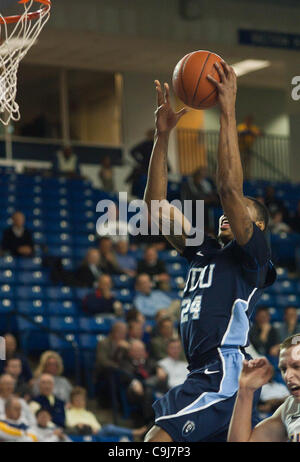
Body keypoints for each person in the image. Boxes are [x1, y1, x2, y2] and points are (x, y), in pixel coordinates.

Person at [143, 64, 276, 442]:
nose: (225, 215)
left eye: (239, 213)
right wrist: (162, 136)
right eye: (225, 214)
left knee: (157, 441)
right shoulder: (204, 250)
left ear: (257, 228)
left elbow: (230, 191)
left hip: (223, 371)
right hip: (203, 371)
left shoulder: (253, 257)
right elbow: (153, 208)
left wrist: (228, 110)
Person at [227, 334, 300, 442]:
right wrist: (246, 390)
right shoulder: (290, 408)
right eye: (284, 369)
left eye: (297, 366)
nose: (288, 376)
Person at [65, 386, 146, 440]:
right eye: (77, 399)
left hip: (96, 432)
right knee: (109, 428)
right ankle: (134, 433)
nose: (79, 402)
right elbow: (69, 423)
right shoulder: (68, 412)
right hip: (82, 433)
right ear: (72, 401)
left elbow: (97, 426)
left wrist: (94, 429)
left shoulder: (88, 413)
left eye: (81, 399)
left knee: (120, 437)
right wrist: (81, 424)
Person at [118, 340, 168, 426]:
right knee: (147, 389)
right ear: (130, 352)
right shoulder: (125, 362)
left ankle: (153, 420)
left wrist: (159, 368)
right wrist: (134, 382)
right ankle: (148, 421)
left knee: (159, 382)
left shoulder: (148, 360)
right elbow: (125, 375)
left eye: (141, 350)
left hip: (152, 388)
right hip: (135, 390)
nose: (140, 352)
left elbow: (156, 366)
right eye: (136, 350)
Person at [237, 115, 262, 180]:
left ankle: (246, 177)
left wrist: (252, 132)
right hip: (240, 149)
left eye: (250, 120)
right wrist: (246, 132)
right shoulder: (241, 126)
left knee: (247, 164)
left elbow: (260, 133)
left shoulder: (253, 128)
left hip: (248, 149)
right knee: (240, 163)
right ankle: (239, 176)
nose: (249, 122)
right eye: (248, 120)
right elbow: (238, 132)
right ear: (245, 120)